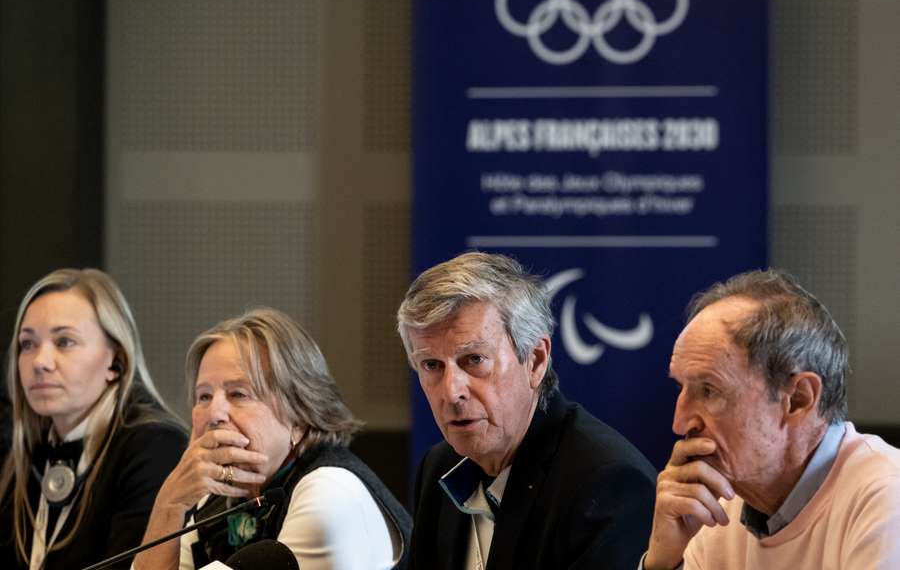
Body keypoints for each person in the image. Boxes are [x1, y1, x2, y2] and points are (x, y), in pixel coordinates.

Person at [397, 251, 656, 569]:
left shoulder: (606, 482)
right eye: (432, 365)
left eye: (474, 360)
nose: (451, 392)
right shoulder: (440, 465)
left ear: (535, 360)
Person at [642, 269, 900, 570]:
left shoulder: (886, 500)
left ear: (798, 399)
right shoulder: (715, 509)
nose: (680, 423)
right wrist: (662, 560)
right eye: (681, 388)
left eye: (709, 390)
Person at [134, 307, 412, 570]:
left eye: (238, 394)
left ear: (299, 416)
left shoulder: (330, 493)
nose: (214, 413)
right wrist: (169, 505)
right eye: (204, 396)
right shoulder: (216, 501)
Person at [0, 268, 188, 570]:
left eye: (64, 342)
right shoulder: (21, 450)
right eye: (27, 344)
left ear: (116, 360)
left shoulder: (155, 446)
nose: (40, 362)